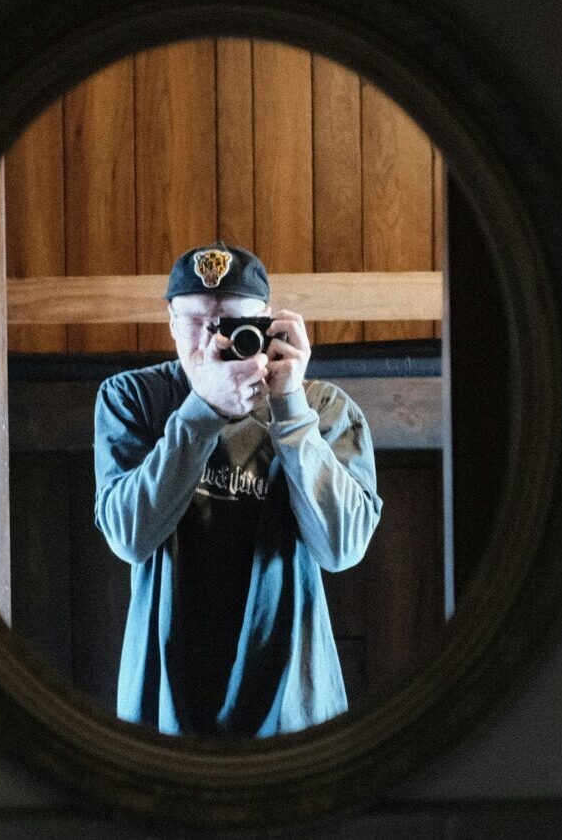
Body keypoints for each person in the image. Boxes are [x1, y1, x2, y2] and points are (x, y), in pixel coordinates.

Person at [91, 242, 383, 737]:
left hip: (293, 704)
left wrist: (290, 409)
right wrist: (203, 408)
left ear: (267, 322)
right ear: (169, 321)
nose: (212, 339)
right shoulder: (133, 399)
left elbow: (342, 548)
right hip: (164, 704)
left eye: (230, 323)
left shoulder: (322, 406)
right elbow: (128, 536)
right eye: (195, 321)